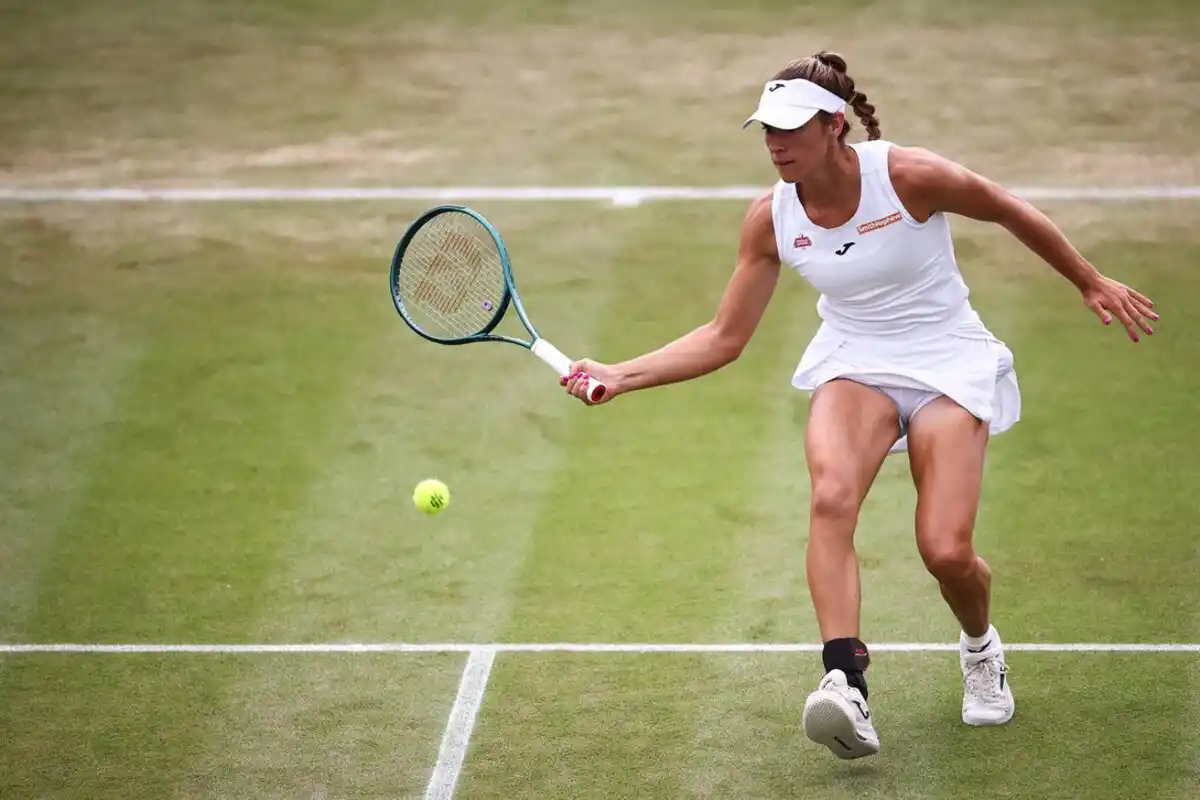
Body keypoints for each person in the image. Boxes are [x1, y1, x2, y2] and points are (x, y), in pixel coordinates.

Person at [561, 50, 1158, 759]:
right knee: (830, 498)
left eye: (789, 130)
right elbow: (725, 337)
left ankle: (980, 646)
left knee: (945, 550)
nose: (775, 145)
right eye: (765, 131)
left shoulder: (907, 176)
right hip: (855, 362)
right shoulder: (770, 218)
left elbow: (1005, 209)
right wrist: (622, 374)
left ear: (834, 126)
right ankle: (845, 681)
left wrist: (1088, 280)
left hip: (946, 358)